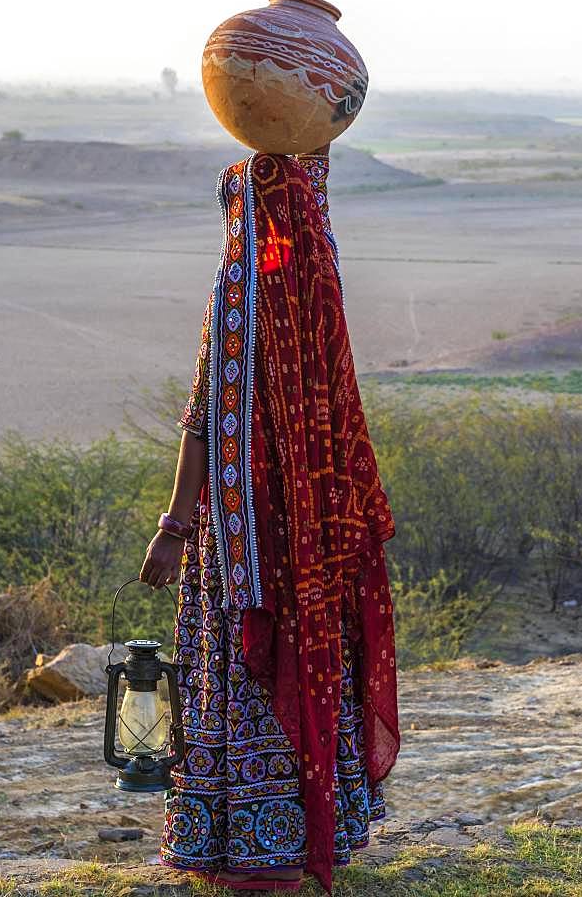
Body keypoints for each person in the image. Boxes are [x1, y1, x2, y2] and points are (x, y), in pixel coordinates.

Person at [140, 146, 399, 893]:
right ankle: (300, 830)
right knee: (303, 660)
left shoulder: (244, 292)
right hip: (303, 539)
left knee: (241, 663)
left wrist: (174, 525)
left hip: (242, 537)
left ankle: (255, 842)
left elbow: (200, 420)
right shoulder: (319, 287)